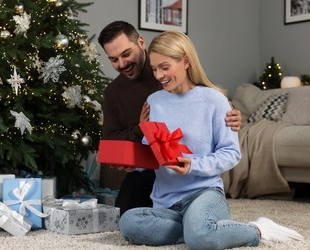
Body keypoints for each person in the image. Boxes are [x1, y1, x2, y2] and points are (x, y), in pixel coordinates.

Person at [118, 30, 304, 250]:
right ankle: (197, 230)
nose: (159, 76)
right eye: (155, 69)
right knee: (129, 222)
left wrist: (193, 165)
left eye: (165, 67)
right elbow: (153, 154)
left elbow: (231, 153)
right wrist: (134, 163)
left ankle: (257, 229)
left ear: (185, 61)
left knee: (201, 237)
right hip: (165, 203)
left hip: (203, 193)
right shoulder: (154, 102)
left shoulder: (215, 100)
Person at [98, 21, 242, 216]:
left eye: (126, 54)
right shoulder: (118, 93)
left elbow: (204, 99)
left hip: (192, 173)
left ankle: (193, 221)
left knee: (193, 222)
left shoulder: (171, 69)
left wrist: (230, 112)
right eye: (114, 59)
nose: (122, 64)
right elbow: (112, 140)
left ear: (141, 42)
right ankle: (181, 223)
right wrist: (139, 133)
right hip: (150, 167)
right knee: (128, 219)